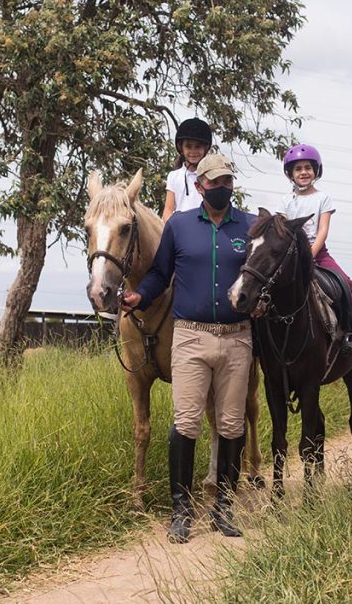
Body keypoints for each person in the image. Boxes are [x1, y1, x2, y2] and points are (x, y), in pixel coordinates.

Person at [122, 153, 255, 544]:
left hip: (237, 338)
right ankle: (181, 509)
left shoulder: (248, 226)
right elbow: (160, 274)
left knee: (231, 424)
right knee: (186, 422)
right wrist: (138, 299)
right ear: (199, 187)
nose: (221, 189)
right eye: (214, 183)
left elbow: (262, 273)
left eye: (227, 182)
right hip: (190, 337)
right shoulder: (178, 226)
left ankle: (224, 507)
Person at [280, 144, 352, 353]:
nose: (303, 172)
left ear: (316, 170)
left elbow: (323, 230)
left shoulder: (322, 198)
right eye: (298, 169)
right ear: (290, 173)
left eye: (308, 167)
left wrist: (309, 255)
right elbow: (281, 230)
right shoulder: (286, 201)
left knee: (347, 285)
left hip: (318, 253)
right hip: (292, 255)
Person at [161, 118, 212, 221]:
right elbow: (168, 209)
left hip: (205, 226)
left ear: (205, 148)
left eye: (198, 146)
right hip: (181, 228)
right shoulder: (174, 176)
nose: (193, 151)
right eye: (188, 146)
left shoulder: (210, 175)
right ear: (181, 148)